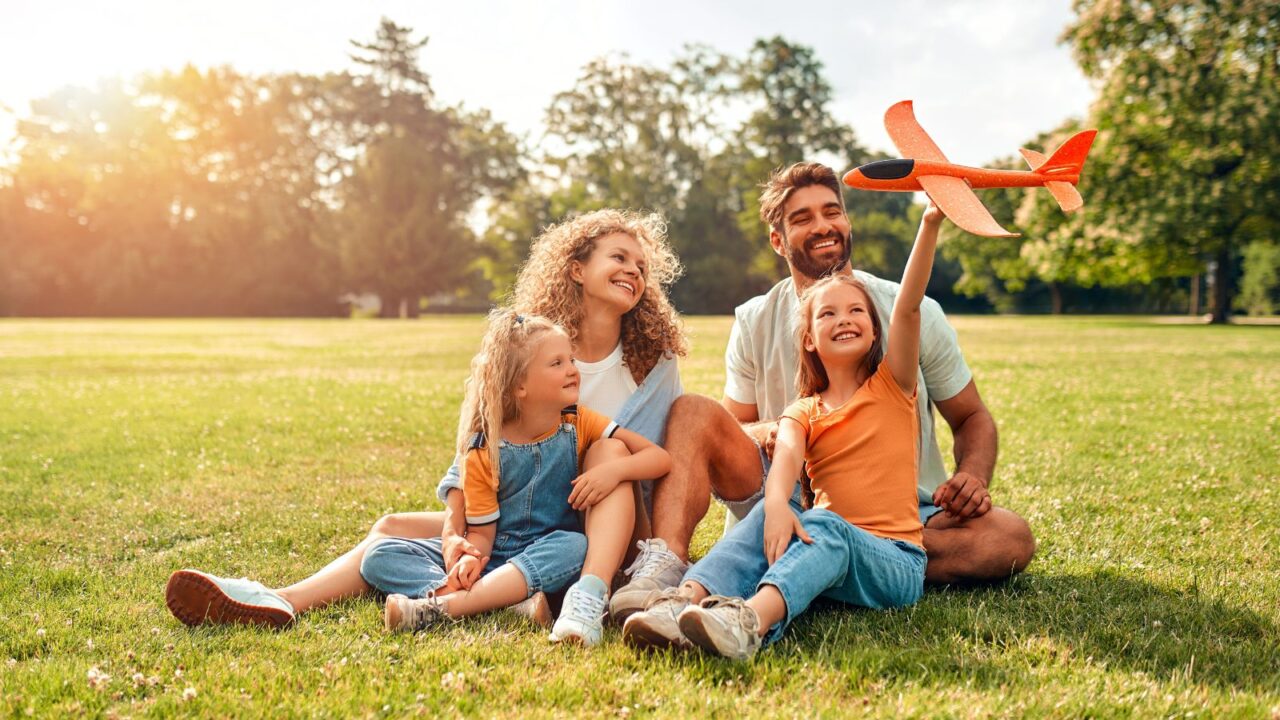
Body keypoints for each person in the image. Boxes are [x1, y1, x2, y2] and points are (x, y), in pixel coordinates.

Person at [164, 209, 687, 629]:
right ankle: (284, 599)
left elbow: (651, 455)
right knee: (389, 528)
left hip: (590, 524)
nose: (634, 272)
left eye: (642, 266)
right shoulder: (533, 347)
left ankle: (507, 598)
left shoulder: (650, 361)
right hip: (508, 516)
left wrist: (612, 475)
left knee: (606, 453)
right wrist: (457, 535)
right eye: (619, 257)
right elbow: (476, 450)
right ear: (576, 268)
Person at [609, 163, 1036, 623]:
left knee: (1008, 539)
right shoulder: (756, 320)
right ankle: (669, 572)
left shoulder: (905, 315)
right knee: (693, 411)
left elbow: (972, 416)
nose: (823, 226)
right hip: (784, 492)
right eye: (802, 218)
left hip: (902, 511)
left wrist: (972, 477)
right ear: (778, 240)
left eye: (832, 212)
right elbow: (733, 429)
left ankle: (822, 558)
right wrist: (775, 431)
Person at [622, 204, 943, 659]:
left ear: (875, 331)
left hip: (895, 563)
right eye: (827, 314)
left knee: (823, 523)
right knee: (775, 516)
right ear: (809, 338)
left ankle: (747, 622)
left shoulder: (894, 388)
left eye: (856, 311)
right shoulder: (803, 411)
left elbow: (909, 306)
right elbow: (786, 461)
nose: (844, 318)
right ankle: (682, 603)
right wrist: (774, 505)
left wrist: (929, 223)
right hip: (828, 554)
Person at [363, 310, 671, 644]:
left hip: (549, 551)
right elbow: (482, 533)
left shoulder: (579, 421)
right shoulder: (484, 447)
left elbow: (659, 458)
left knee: (576, 544)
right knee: (380, 554)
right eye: (557, 364)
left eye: (571, 360)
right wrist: (470, 557)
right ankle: (480, 600)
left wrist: (615, 470)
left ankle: (448, 606)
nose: (572, 370)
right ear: (519, 386)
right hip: (496, 557)